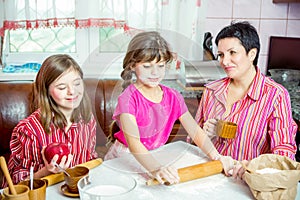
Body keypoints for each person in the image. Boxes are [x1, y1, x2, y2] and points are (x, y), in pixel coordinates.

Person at [104, 31, 234, 185]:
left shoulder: (173, 97)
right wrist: (156, 169)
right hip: (126, 157)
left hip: (153, 155)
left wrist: (216, 156)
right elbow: (134, 144)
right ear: (132, 65)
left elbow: (195, 131)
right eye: (147, 66)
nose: (155, 72)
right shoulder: (128, 99)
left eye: (160, 66)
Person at [194, 21, 297, 177]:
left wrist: (251, 167)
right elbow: (192, 141)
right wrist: (205, 136)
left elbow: (284, 153)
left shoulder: (276, 96)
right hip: (211, 177)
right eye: (221, 55)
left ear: (252, 54)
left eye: (232, 53)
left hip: (250, 181)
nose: (224, 61)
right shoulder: (211, 91)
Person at [2, 54, 98, 186]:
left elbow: (90, 158)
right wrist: (46, 171)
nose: (72, 91)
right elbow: (14, 184)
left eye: (77, 83)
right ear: (47, 91)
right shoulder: (28, 130)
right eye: (62, 87)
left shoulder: (88, 119)